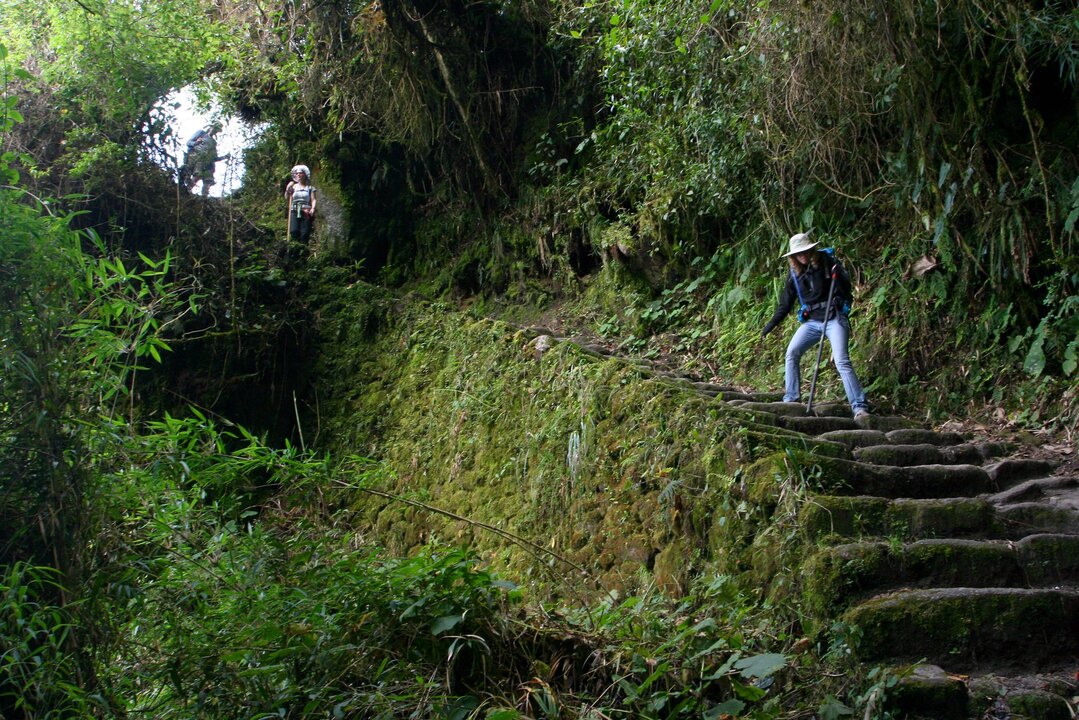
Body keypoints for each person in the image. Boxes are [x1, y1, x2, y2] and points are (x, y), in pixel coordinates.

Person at [760, 232, 870, 419]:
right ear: (793, 256)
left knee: (841, 360)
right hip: (812, 321)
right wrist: (770, 326)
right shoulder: (794, 275)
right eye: (798, 253)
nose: (802, 255)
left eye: (805, 251)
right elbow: (785, 304)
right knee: (792, 353)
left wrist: (839, 277)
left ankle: (859, 406)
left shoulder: (828, 263)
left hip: (834, 318)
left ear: (812, 249)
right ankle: (792, 399)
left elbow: (846, 287)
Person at [181, 123, 228, 196]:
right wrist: (196, 143)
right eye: (214, 128)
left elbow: (214, 157)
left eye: (217, 130)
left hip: (204, 163)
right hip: (193, 158)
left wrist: (224, 157)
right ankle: (184, 190)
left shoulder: (213, 142)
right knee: (189, 175)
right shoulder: (201, 133)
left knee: (203, 178)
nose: (215, 131)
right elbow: (188, 143)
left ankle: (203, 197)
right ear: (211, 127)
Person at [285, 165, 317, 244]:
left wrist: (313, 208)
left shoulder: (310, 188)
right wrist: (287, 188)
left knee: (305, 232)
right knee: (294, 230)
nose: (298, 175)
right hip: (295, 210)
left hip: (306, 210)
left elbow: (313, 199)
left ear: (305, 175)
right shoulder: (293, 187)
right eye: (297, 173)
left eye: (300, 173)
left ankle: (303, 247)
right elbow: (287, 197)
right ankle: (295, 246)